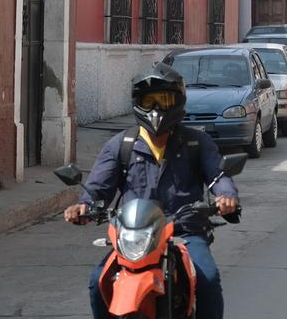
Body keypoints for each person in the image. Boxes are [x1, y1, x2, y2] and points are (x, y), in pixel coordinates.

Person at [64, 64, 239, 319]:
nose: (156, 109)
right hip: (134, 238)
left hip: (184, 233)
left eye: (164, 100)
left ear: (177, 102)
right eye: (150, 101)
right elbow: (97, 188)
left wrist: (226, 196)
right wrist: (84, 206)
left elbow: (218, 175)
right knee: (97, 282)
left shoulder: (196, 142)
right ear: (138, 103)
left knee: (208, 280)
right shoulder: (122, 145)